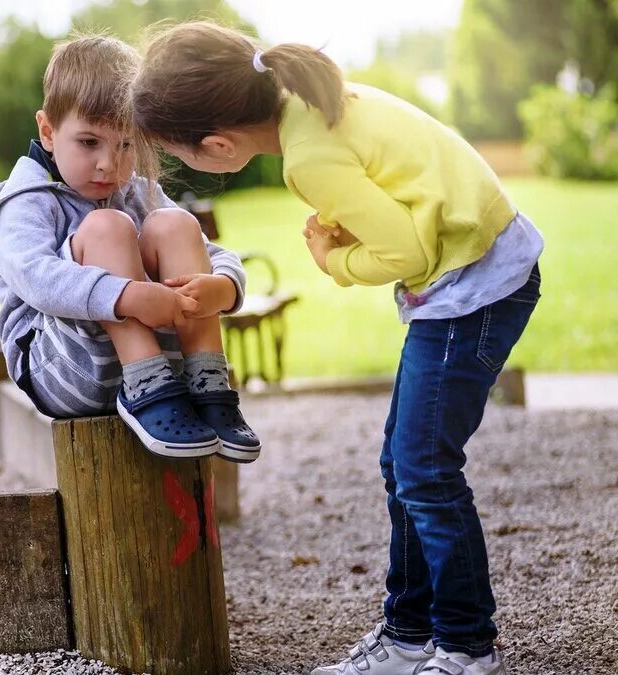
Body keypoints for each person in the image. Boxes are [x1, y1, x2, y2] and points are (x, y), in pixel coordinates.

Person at [129, 21, 543, 675]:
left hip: (478, 288)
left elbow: (407, 251)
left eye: (182, 157)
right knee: (403, 463)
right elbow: (404, 193)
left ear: (217, 144)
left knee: (425, 469)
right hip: (476, 269)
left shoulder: (308, 157)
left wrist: (335, 259)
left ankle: (467, 645)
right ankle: (408, 634)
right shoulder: (307, 101)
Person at [0, 34, 261, 462]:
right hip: (64, 370)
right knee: (107, 227)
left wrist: (225, 285)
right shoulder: (26, 202)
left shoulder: (137, 190)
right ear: (48, 131)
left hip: (169, 374)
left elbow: (208, 250)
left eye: (126, 145)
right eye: (89, 143)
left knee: (174, 223)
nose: (110, 163)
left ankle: (208, 381)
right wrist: (125, 296)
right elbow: (35, 278)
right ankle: (147, 385)